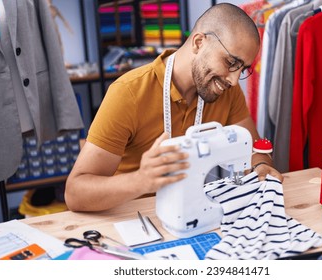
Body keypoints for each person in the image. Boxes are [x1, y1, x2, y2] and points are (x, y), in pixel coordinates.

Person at [65, 3, 283, 212]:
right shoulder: (129, 93)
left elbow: (254, 150)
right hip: (133, 218)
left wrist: (259, 167)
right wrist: (141, 181)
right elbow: (75, 193)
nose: (235, 80)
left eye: (242, 68)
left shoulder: (226, 90)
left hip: (191, 211)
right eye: (230, 63)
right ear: (199, 43)